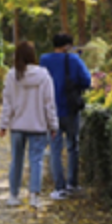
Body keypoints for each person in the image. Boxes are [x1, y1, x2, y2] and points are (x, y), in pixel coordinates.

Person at [0, 39, 58, 210]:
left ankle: (13, 195)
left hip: (17, 126)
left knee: (16, 160)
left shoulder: (12, 75)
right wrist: (53, 125)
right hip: (38, 125)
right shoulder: (44, 75)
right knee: (36, 161)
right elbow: (49, 103)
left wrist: (3, 125)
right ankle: (34, 196)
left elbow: (7, 103)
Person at [39, 32, 92, 199]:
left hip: (50, 110)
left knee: (55, 149)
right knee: (72, 146)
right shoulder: (74, 60)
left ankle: (59, 188)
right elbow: (86, 80)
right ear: (67, 46)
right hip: (70, 109)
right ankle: (72, 184)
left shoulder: (44, 60)